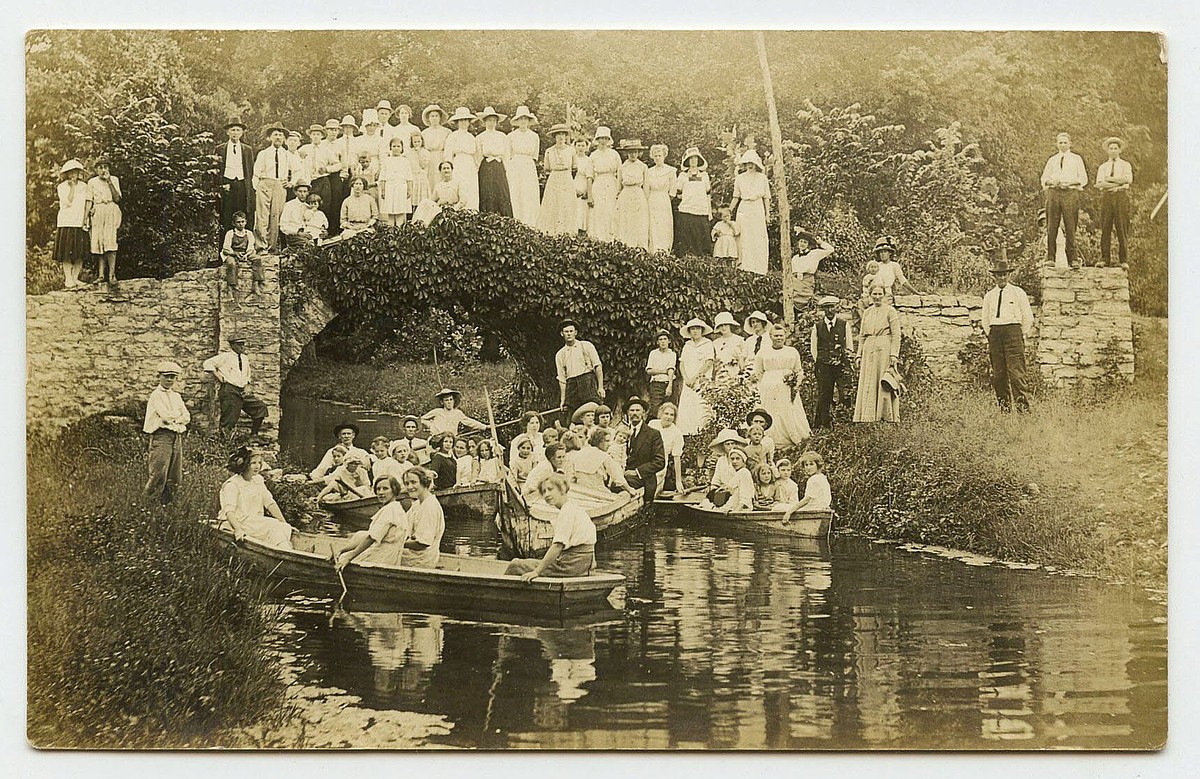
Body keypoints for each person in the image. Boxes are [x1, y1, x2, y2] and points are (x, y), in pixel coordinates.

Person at [505, 473, 597, 580]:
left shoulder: (567, 511)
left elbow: (558, 546)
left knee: (515, 565)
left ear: (562, 489)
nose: (546, 495)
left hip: (570, 566)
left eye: (550, 489)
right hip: (583, 565)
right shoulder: (574, 508)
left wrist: (536, 572)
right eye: (544, 491)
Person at [981, 258, 1035, 413]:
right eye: (999, 275)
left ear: (1008, 275)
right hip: (995, 335)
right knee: (998, 375)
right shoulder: (989, 296)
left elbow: (1028, 317)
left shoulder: (1018, 293)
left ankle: (1023, 411)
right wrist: (992, 334)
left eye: (1004, 275)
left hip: (1013, 334)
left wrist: (1017, 334)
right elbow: (985, 320)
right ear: (994, 277)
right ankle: (1005, 410)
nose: (1002, 278)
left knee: (1016, 374)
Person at [218, 446, 293, 549]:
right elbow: (229, 511)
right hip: (239, 522)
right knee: (273, 524)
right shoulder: (232, 484)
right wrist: (238, 529)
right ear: (244, 464)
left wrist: (284, 523)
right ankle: (285, 552)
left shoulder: (258, 480)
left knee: (282, 526)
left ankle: (285, 551)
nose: (257, 466)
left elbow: (269, 502)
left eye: (259, 463)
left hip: (254, 522)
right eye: (253, 463)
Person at [752, 324, 812, 446]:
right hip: (769, 389)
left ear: (785, 337)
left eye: (781, 335)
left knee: (788, 411)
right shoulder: (763, 352)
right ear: (770, 336)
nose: (778, 338)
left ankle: (794, 438)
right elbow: (758, 372)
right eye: (775, 336)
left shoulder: (792, 351)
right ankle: (771, 439)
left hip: (787, 389)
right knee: (772, 411)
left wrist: (796, 384)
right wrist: (765, 385)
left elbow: (799, 371)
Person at [334, 475, 409, 568]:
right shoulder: (397, 507)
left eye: (385, 489)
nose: (381, 492)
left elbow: (371, 538)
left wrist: (349, 556)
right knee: (355, 541)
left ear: (394, 490)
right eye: (378, 489)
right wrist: (343, 550)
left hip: (381, 557)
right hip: (390, 557)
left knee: (342, 559)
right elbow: (369, 535)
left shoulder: (389, 510)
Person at [142, 360, 190, 504]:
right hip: (161, 436)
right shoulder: (156, 395)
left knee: (174, 474)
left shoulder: (176, 396)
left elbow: (187, 417)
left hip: (176, 436)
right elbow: (165, 417)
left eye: (173, 377)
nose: (169, 380)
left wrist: (175, 417)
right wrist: (177, 416)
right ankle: (149, 504)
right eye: (166, 376)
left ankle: (167, 504)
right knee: (159, 472)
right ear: (160, 376)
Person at [1040, 132, 1089, 270]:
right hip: (1054, 193)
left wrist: (1071, 183)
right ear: (1056, 144)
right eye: (1060, 142)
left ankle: (1073, 259)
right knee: (1051, 226)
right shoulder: (1052, 160)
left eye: (1065, 142)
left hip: (1070, 193)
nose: (1062, 145)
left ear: (1070, 143)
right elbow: (1044, 179)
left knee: (1070, 226)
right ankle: (1050, 258)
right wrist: (1052, 182)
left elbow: (1084, 179)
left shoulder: (1076, 159)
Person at [203, 335, 268, 438]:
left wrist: (246, 387)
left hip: (241, 391)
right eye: (239, 344)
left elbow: (247, 375)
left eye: (243, 344)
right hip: (229, 390)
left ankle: (254, 435)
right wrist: (218, 376)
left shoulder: (244, 358)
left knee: (260, 408)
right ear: (232, 345)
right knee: (229, 419)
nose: (242, 347)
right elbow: (207, 363)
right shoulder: (225, 357)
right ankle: (224, 444)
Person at [854, 286, 902, 423]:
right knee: (868, 381)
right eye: (874, 294)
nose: (877, 296)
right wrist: (859, 355)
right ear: (870, 295)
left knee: (883, 382)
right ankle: (867, 417)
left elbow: (896, 334)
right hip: (869, 350)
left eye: (880, 294)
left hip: (884, 350)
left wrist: (894, 354)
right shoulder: (868, 312)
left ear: (884, 295)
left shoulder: (890, 311)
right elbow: (862, 336)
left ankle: (885, 416)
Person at [810, 295, 855, 429]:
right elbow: (814, 348)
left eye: (832, 307)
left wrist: (846, 360)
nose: (830, 310)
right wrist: (820, 362)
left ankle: (845, 422)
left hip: (841, 364)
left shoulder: (843, 324)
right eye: (826, 308)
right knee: (825, 394)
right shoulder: (817, 326)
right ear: (823, 310)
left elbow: (849, 345)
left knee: (844, 392)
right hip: (824, 366)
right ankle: (823, 425)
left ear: (837, 308)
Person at [568, 427, 638, 512]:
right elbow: (617, 477)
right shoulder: (604, 456)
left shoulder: (580, 453)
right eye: (607, 441)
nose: (610, 444)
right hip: (599, 494)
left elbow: (571, 477)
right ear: (599, 441)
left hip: (581, 493)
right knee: (624, 494)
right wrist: (630, 490)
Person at [252, 123, 296, 251]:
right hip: (264, 183)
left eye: (281, 135)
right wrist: (257, 188)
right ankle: (260, 247)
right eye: (275, 135)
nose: (278, 137)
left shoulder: (287, 155)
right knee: (262, 216)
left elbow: (298, 170)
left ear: (284, 139)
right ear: (270, 138)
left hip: (279, 185)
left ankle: (272, 247)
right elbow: (256, 172)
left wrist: (291, 182)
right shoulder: (263, 153)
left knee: (276, 216)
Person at [556, 319, 605, 421]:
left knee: (594, 411)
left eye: (571, 331)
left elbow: (597, 366)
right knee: (571, 415)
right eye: (566, 332)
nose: (569, 334)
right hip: (571, 385)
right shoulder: (560, 354)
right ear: (562, 334)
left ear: (575, 332)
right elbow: (562, 379)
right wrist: (563, 399)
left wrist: (600, 387)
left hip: (587, 381)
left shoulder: (586, 345)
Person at [731, 150, 770, 274]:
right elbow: (736, 196)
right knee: (744, 236)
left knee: (757, 236)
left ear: (756, 163)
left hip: (757, 208)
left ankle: (758, 268)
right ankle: (743, 265)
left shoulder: (762, 178)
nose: (750, 165)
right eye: (747, 162)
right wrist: (729, 210)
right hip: (744, 208)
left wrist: (767, 214)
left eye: (752, 162)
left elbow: (766, 197)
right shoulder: (740, 178)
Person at [1096, 136, 1133, 267]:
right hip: (1107, 197)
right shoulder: (1103, 167)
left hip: (1121, 197)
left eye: (1115, 148)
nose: (1113, 150)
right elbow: (1100, 184)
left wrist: (1110, 180)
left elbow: (1128, 180)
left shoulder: (1125, 165)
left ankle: (1123, 260)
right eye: (1110, 148)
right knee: (1105, 227)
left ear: (1119, 150)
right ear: (1107, 151)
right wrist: (1118, 181)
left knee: (1121, 228)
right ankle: (1105, 259)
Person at [397, 467, 446, 568]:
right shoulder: (417, 503)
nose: (410, 487)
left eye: (413, 482)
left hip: (421, 559)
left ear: (424, 482)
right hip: (414, 554)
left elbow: (422, 544)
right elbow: (401, 525)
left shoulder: (429, 506)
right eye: (406, 484)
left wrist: (397, 543)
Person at [55, 159, 91, 289]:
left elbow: (87, 202)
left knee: (79, 253)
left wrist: (86, 219)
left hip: (79, 221)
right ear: (66, 174)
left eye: (75, 172)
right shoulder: (62, 187)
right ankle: (68, 279)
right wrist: (71, 188)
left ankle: (75, 278)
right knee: (66, 253)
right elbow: (68, 202)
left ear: (79, 172)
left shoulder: (85, 186)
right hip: (66, 222)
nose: (73, 175)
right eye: (70, 172)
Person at [218, 118, 255, 244]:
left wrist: (249, 189)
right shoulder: (220, 149)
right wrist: (222, 184)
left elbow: (250, 171)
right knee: (227, 217)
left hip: (242, 185)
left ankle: (245, 248)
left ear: (242, 133)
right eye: (232, 130)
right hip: (227, 185)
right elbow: (216, 170)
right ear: (227, 132)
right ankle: (224, 251)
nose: (235, 133)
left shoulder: (247, 150)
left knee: (243, 215)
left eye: (238, 130)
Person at [622, 396, 665, 502]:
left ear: (644, 412)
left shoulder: (653, 434)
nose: (635, 413)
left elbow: (659, 461)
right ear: (627, 413)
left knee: (621, 483)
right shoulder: (621, 432)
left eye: (638, 410)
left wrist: (637, 471)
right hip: (622, 474)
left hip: (644, 478)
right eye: (632, 410)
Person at [677, 317, 715, 436]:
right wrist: (686, 378)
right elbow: (682, 364)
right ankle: (686, 434)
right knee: (687, 406)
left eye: (697, 328)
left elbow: (708, 362)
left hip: (701, 380)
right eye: (692, 329)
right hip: (688, 382)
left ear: (702, 330)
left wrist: (695, 378)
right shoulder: (687, 345)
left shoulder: (707, 344)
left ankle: (701, 434)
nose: (695, 331)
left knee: (700, 406)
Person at [86, 158, 122, 287]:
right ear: (96, 170)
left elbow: (117, 199)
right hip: (98, 211)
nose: (103, 170)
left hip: (111, 210)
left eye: (105, 167)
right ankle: (101, 275)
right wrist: (87, 216)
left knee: (110, 242)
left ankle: (112, 275)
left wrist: (109, 182)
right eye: (100, 167)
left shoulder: (114, 180)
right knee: (99, 243)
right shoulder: (92, 182)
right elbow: (89, 200)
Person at [674, 146, 713, 258]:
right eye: (691, 159)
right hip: (686, 211)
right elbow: (679, 194)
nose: (693, 161)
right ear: (687, 161)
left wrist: (709, 212)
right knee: (686, 240)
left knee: (700, 240)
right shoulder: (682, 176)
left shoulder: (704, 176)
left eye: (695, 158)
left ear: (699, 160)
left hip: (701, 211)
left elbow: (707, 194)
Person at [538, 123, 576, 235]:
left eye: (563, 134)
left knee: (566, 203)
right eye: (558, 134)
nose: (560, 137)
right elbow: (547, 168)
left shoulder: (571, 150)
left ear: (566, 136)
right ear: (554, 136)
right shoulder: (549, 151)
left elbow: (574, 167)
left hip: (567, 178)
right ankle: (552, 231)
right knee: (553, 203)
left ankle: (567, 231)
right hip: (554, 178)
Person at [506, 105, 541, 226]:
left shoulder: (534, 136)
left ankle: (529, 222)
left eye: (525, 119)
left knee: (528, 192)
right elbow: (508, 154)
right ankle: (516, 221)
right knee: (515, 191)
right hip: (515, 165)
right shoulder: (511, 136)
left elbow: (534, 155)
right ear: (517, 121)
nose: (523, 121)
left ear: (529, 121)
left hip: (528, 166)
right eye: (521, 119)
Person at [476, 106, 513, 217]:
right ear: (484, 122)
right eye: (489, 120)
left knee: (501, 191)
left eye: (493, 121)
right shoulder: (480, 137)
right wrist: (478, 169)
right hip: (486, 167)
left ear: (496, 122)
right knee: (487, 192)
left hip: (499, 167)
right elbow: (478, 156)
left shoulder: (502, 136)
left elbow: (506, 155)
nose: (491, 123)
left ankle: (504, 220)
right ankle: (488, 219)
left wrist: (506, 169)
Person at [614, 139, 650, 249]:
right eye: (630, 152)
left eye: (635, 152)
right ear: (626, 153)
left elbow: (646, 186)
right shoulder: (622, 167)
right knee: (626, 220)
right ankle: (626, 247)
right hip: (626, 195)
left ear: (639, 153)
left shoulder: (643, 167)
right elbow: (619, 185)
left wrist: (645, 200)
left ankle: (639, 248)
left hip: (638, 195)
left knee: (638, 221)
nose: (633, 154)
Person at [587, 126, 621, 241]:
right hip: (599, 184)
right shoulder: (593, 155)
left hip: (612, 183)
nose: (603, 141)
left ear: (608, 140)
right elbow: (589, 176)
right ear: (597, 140)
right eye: (601, 138)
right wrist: (590, 196)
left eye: (606, 138)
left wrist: (619, 190)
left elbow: (620, 173)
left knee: (611, 210)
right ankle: (599, 239)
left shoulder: (614, 154)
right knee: (599, 211)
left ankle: (611, 239)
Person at [313, 118, 346, 235]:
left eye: (335, 130)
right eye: (331, 130)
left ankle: (335, 229)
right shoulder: (320, 144)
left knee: (336, 201)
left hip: (335, 174)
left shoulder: (341, 144)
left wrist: (341, 174)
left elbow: (343, 163)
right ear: (326, 131)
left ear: (338, 131)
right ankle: (323, 228)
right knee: (324, 202)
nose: (333, 132)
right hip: (322, 176)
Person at [444, 107, 480, 211]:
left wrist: (476, 166)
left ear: (469, 122)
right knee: (460, 187)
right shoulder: (452, 136)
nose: (463, 122)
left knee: (471, 188)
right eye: (461, 120)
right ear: (457, 122)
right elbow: (448, 154)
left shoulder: (472, 137)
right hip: (458, 164)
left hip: (470, 165)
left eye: (465, 120)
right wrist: (449, 168)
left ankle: (472, 212)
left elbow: (476, 154)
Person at [697, 448, 754, 513]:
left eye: (738, 459)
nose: (734, 462)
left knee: (707, 505)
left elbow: (745, 498)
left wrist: (735, 512)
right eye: (732, 459)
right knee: (705, 503)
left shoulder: (744, 473)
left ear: (743, 460)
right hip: (731, 506)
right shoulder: (738, 473)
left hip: (740, 509)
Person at [782, 450, 833, 523]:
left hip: (813, 509)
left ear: (818, 465)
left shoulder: (813, 479)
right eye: (806, 465)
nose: (808, 467)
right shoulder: (822, 477)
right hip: (822, 508)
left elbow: (807, 500)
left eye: (811, 464)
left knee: (778, 507)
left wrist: (789, 512)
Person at [791, 227, 835, 305]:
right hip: (796, 282)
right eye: (801, 241)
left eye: (805, 242)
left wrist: (820, 242)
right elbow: (792, 272)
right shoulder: (795, 258)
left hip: (807, 282)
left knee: (807, 301)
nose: (802, 244)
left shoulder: (814, 254)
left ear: (808, 244)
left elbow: (830, 249)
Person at [220, 211, 260, 295]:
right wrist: (235, 254)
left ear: (245, 222)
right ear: (234, 223)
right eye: (238, 222)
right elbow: (225, 248)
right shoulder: (230, 233)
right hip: (232, 253)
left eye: (242, 222)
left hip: (245, 253)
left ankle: (256, 283)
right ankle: (232, 285)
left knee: (257, 259)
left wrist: (246, 255)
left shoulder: (248, 233)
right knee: (231, 263)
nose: (240, 224)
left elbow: (251, 247)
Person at [645, 143, 675, 253]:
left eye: (660, 155)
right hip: (652, 200)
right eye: (655, 155)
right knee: (653, 225)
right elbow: (647, 189)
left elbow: (672, 192)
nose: (658, 158)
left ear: (664, 156)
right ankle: (653, 251)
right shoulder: (648, 171)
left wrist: (664, 200)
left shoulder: (671, 171)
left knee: (664, 225)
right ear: (652, 157)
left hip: (664, 201)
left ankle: (664, 250)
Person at [378, 137, 415, 226]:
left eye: (398, 146)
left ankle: (400, 230)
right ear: (390, 148)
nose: (396, 148)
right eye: (394, 146)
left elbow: (409, 177)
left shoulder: (405, 161)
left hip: (401, 187)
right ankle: (391, 231)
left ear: (402, 148)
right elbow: (382, 177)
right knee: (390, 211)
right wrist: (383, 190)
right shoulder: (386, 161)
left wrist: (409, 189)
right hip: (389, 187)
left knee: (401, 211)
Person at [649, 401, 684, 495]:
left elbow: (677, 458)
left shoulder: (676, 433)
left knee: (654, 493)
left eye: (672, 415)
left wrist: (678, 481)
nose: (668, 417)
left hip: (660, 464)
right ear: (661, 413)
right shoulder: (652, 424)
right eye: (666, 413)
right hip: (646, 462)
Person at [422, 388, 487, 437]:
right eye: (446, 400)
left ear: (454, 401)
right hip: (438, 438)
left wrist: (484, 427)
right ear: (442, 402)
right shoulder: (437, 412)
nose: (449, 402)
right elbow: (422, 419)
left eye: (451, 399)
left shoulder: (458, 413)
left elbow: (470, 422)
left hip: (451, 440)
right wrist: (431, 425)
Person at [645, 330, 677, 415]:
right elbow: (649, 370)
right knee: (655, 409)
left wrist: (669, 386)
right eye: (660, 339)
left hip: (669, 383)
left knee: (669, 408)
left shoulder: (672, 354)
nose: (663, 341)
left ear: (669, 341)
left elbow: (671, 370)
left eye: (665, 339)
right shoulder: (653, 353)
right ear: (657, 342)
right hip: (656, 384)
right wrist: (663, 371)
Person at [421, 104, 452, 191]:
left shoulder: (447, 132)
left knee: (442, 178)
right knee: (430, 180)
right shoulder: (424, 133)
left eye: (436, 116)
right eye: (432, 116)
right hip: (429, 159)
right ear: (428, 118)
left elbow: (449, 148)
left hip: (442, 157)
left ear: (440, 118)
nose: (434, 118)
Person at [711, 311, 745, 384]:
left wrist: (742, 372)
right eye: (721, 325)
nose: (723, 328)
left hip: (735, 372)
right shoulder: (715, 343)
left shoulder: (739, 340)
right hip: (720, 374)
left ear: (730, 325)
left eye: (725, 325)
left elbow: (743, 357)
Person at [278, 180, 313, 250]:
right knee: (309, 245)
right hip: (293, 236)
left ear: (308, 193)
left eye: (305, 191)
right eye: (300, 191)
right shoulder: (289, 205)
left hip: (307, 234)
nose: (302, 194)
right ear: (295, 192)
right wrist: (298, 232)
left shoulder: (308, 207)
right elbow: (283, 226)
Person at [572, 136, 593, 234]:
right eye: (578, 145)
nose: (580, 148)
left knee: (583, 209)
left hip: (585, 184)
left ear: (586, 147)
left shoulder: (589, 160)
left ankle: (582, 231)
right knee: (574, 208)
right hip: (573, 184)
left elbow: (590, 176)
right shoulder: (572, 158)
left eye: (583, 146)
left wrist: (587, 191)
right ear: (575, 146)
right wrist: (573, 189)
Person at [405, 131, 432, 207]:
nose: (417, 143)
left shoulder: (425, 152)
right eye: (415, 142)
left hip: (421, 177)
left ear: (422, 141)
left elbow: (423, 165)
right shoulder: (409, 153)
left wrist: (418, 153)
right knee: (412, 199)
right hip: (412, 177)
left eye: (418, 141)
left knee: (422, 199)